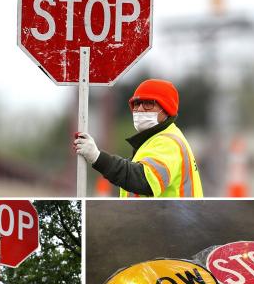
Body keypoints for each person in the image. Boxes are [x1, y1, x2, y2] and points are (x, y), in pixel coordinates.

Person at [74, 79, 203, 197]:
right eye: (136, 103)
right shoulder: (152, 142)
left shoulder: (169, 142)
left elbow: (142, 180)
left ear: (166, 109)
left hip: (173, 222)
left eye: (148, 103)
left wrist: (97, 157)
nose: (140, 109)